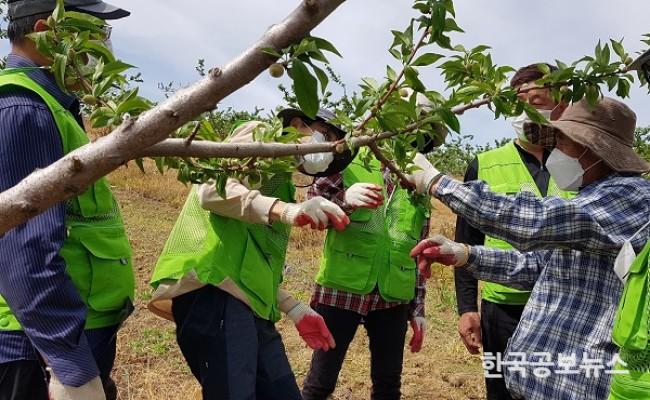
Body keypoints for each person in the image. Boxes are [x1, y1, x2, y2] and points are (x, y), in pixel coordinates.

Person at [408, 97, 650, 399]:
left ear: (591, 147)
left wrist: (436, 181)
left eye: (562, 142)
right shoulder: (594, 196)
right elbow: (539, 266)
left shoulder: (630, 197)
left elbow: (536, 221)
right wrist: (467, 255)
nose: (555, 152)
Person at [148, 110, 354, 400]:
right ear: (298, 124)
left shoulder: (280, 181)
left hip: (249, 304)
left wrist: (294, 308)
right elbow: (211, 191)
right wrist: (286, 210)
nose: (328, 149)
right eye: (328, 136)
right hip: (214, 289)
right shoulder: (260, 134)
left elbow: (252, 258)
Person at [0, 1, 134, 400]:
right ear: (46, 31)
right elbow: (23, 247)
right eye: (93, 31)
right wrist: (70, 366)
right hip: (36, 347)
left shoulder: (52, 106)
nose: (103, 45)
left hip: (60, 337)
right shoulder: (25, 109)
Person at [301, 95, 441, 399]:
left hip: (394, 295)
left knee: (388, 383)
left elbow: (419, 248)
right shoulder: (350, 155)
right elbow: (310, 208)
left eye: (419, 131)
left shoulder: (418, 179)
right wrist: (343, 201)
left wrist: (418, 308)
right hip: (343, 286)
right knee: (321, 381)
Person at [453, 63, 572, 400]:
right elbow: (467, 239)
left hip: (563, 306)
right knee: (502, 390)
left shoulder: (579, 163)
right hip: (502, 309)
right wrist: (467, 308)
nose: (528, 110)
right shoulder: (485, 163)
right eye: (520, 101)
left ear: (559, 105)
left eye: (538, 100)